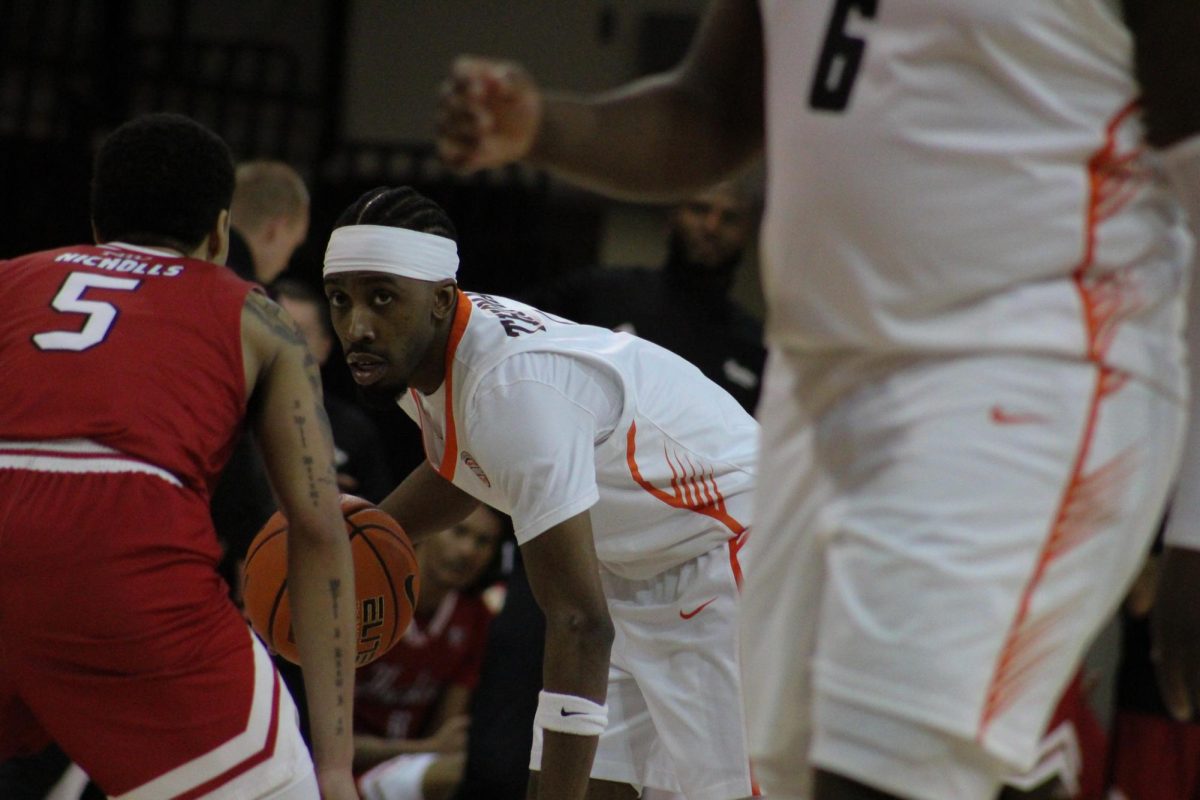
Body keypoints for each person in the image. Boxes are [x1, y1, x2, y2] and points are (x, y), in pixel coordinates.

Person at [433, 3, 1200, 799]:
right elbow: (710, 110)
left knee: (875, 772)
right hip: (822, 388)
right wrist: (541, 128)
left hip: (1031, 365)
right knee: (797, 776)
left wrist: (1195, 526)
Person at [323, 186, 760, 800]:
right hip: (634, 567)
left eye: (381, 298)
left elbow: (580, 623)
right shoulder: (419, 351)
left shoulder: (510, 388)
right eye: (339, 300)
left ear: (442, 300)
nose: (356, 326)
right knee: (583, 783)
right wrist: (361, 539)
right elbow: (465, 467)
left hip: (730, 553)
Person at [0, 113, 358, 800]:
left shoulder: (14, 278)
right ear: (223, 232)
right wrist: (337, 763)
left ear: (96, 221)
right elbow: (315, 529)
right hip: (120, 542)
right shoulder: (256, 313)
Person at [522, 178, 765, 411]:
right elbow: (508, 329)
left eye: (729, 218)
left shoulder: (755, 345)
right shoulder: (600, 290)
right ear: (672, 217)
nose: (712, 226)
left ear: (747, 232)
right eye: (700, 209)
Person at [354, 505, 504, 800]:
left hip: (405, 772)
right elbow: (326, 743)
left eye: (483, 542)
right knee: (471, 773)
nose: (467, 550)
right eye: (459, 532)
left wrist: (428, 751)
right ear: (427, 530)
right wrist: (424, 750)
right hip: (334, 771)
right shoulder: (367, 598)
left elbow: (445, 735)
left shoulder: (475, 618)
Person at [274, 278, 396, 502]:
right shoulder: (232, 410)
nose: (284, 345)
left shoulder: (354, 431)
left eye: (299, 333)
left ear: (325, 346)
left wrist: (342, 506)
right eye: (275, 330)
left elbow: (379, 517)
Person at [227, 159, 311, 285]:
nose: (285, 265)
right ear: (275, 231)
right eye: (293, 246)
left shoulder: (189, 267)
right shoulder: (250, 300)